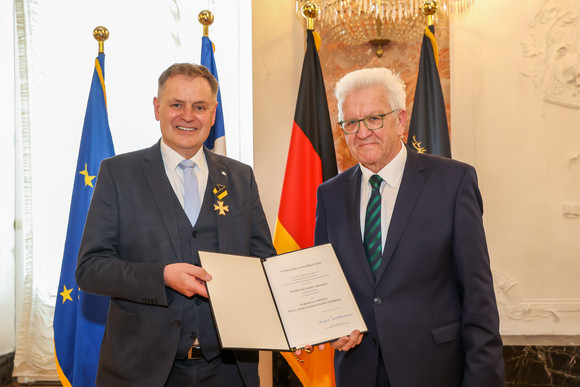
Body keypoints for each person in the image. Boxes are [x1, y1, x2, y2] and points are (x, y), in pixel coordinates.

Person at [76, 63, 276, 386]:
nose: (187, 116)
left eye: (199, 107)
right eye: (176, 105)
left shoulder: (241, 178)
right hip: (142, 371)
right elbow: (90, 269)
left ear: (213, 114)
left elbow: (266, 265)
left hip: (228, 371)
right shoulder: (118, 174)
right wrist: (162, 277)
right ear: (157, 108)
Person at [314, 68, 504, 386]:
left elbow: (478, 296)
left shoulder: (453, 182)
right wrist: (330, 323)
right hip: (357, 371)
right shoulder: (329, 194)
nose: (362, 133)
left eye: (374, 119)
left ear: (400, 120)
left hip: (435, 370)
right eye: (351, 123)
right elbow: (325, 283)